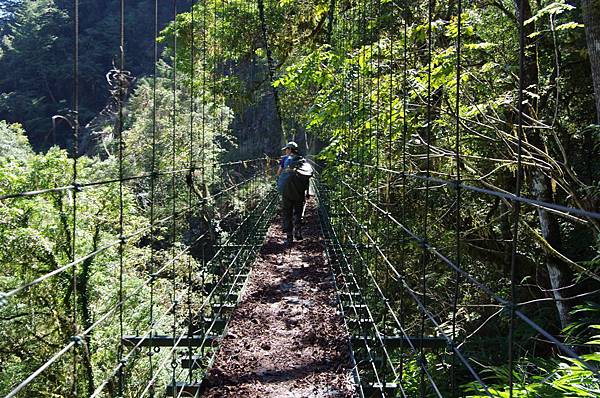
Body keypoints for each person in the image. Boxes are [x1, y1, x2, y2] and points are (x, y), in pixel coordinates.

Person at [277, 141, 311, 245]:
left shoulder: (284, 160)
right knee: (298, 211)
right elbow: (307, 177)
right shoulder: (303, 161)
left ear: (290, 149)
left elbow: (278, 173)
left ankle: (289, 237)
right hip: (299, 191)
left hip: (287, 190)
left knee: (287, 212)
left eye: (286, 149)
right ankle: (298, 231)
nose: (286, 151)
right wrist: (307, 192)